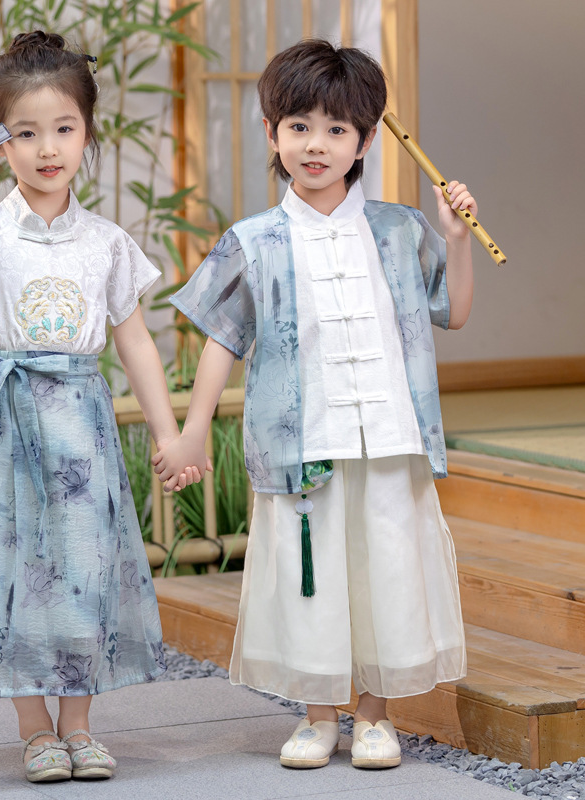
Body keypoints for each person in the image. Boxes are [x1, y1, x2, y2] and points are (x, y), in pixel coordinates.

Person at [153, 38, 476, 770]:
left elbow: (453, 313)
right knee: (311, 577)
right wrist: (194, 429)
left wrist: (456, 239)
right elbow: (223, 338)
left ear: (366, 140)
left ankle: (376, 716)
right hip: (300, 444)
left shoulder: (400, 229)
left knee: (388, 569)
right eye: (299, 126)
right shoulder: (253, 241)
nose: (316, 145)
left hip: (389, 437)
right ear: (272, 133)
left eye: (337, 129)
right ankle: (318, 716)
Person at [0, 31, 199, 783]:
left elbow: (135, 344)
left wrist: (169, 433)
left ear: (87, 134)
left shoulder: (106, 243)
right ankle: (34, 729)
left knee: (83, 568)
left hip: (81, 427)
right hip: (2, 425)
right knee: (12, 569)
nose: (47, 148)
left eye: (64, 128)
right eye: (25, 133)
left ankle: (80, 725)